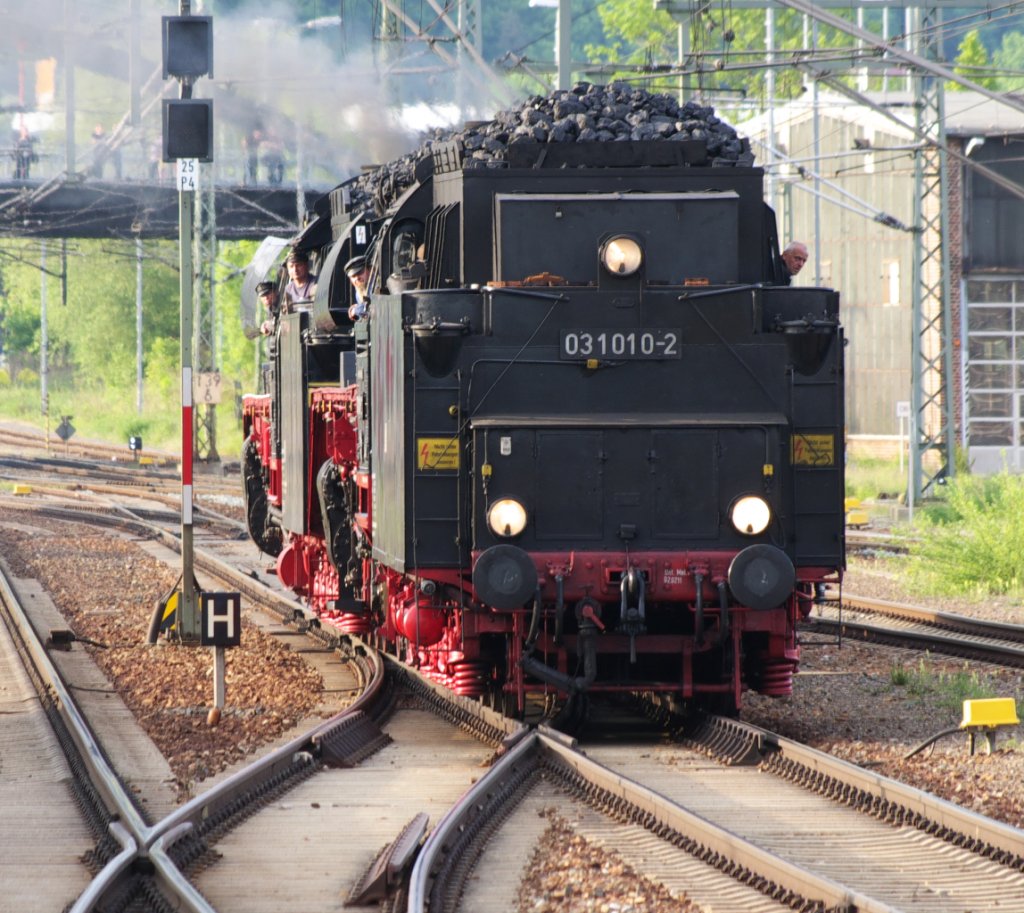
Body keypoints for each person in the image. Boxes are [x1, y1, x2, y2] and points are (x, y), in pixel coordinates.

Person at [345, 255, 371, 321]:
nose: (357, 278)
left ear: (369, 269)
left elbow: (370, 309)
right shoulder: (359, 291)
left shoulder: (376, 285)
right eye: (353, 276)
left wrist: (355, 310)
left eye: (360, 272)